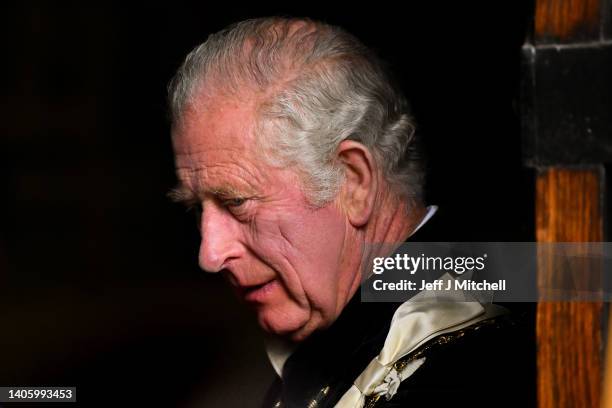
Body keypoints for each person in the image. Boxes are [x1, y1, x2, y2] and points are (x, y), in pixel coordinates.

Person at [167, 16, 534, 407]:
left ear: (354, 182)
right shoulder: (336, 344)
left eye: (236, 201)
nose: (210, 255)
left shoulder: (471, 369)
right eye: (197, 208)